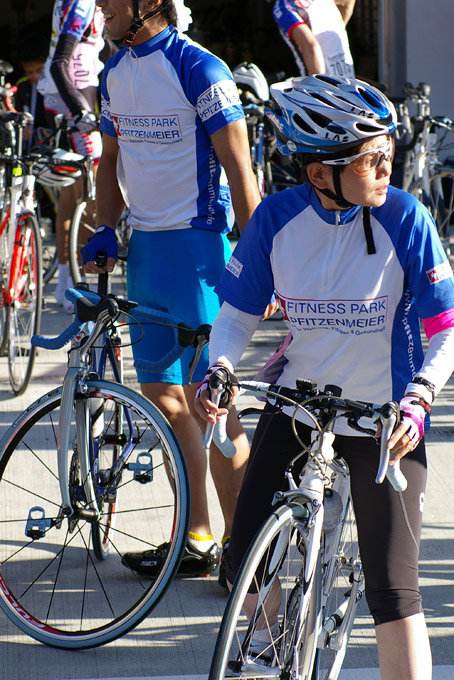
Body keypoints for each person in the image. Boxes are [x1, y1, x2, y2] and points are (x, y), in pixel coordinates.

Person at [195, 75, 454, 678]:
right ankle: (274, 643)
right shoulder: (276, 220)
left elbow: (445, 330)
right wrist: (223, 369)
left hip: (386, 415)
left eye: (388, 149)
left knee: (394, 591)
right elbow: (234, 316)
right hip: (298, 402)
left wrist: (420, 398)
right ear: (320, 174)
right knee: (242, 562)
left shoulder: (406, 218)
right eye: (372, 157)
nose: (388, 163)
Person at [81, 0, 263, 586]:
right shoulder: (114, 74)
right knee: (164, 402)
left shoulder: (200, 69)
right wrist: (105, 225)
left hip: (199, 251)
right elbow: (110, 160)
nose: (99, 7)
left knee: (215, 405)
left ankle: (244, 550)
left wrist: (263, 264)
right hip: (148, 255)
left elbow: (241, 171)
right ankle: (196, 537)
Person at [38, 0, 105, 313]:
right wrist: (80, 111)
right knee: (90, 194)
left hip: (72, 90)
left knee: (72, 191)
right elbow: (60, 61)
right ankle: (80, 284)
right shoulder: (83, 2)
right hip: (73, 94)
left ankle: (66, 281)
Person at [267, 0, 355, 78]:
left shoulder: (284, 6)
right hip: (348, 79)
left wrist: (320, 87)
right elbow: (347, 4)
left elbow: (311, 47)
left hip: (324, 85)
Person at [13, 32, 52, 149]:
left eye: (40, 69)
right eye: (29, 72)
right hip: (33, 150)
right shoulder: (22, 87)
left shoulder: (62, 83)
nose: (35, 76)